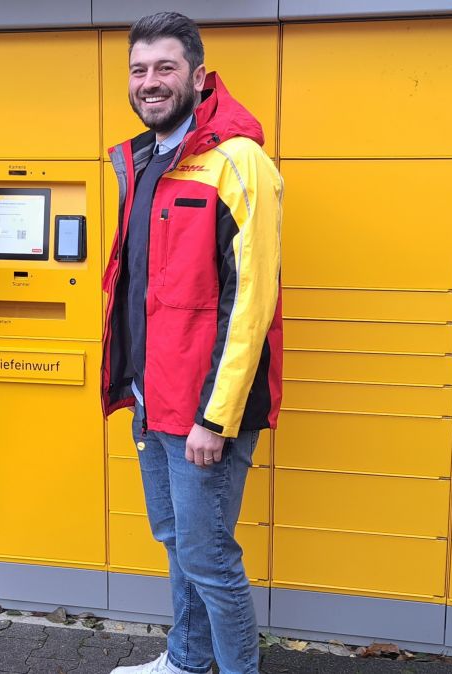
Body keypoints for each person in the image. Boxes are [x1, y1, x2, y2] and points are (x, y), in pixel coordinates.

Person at [101, 12, 284, 674]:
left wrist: (218, 415)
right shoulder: (144, 159)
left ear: (199, 76)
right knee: (177, 541)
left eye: (166, 68)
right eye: (139, 69)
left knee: (208, 556)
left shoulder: (241, 161)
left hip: (208, 408)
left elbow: (252, 302)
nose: (150, 82)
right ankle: (185, 660)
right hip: (155, 396)